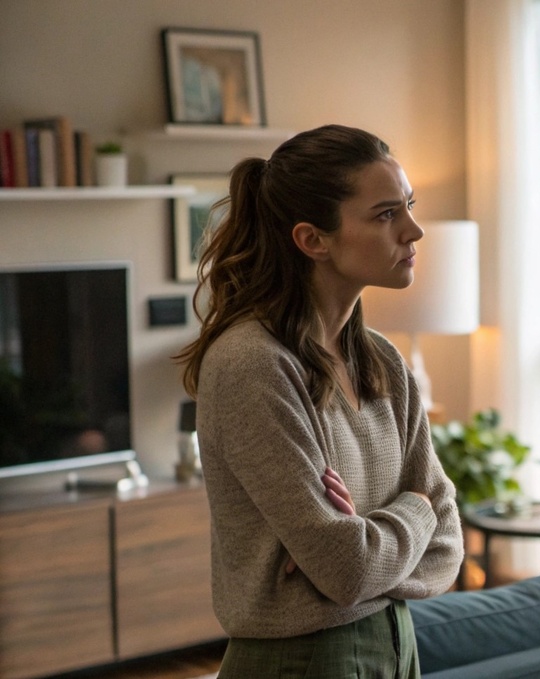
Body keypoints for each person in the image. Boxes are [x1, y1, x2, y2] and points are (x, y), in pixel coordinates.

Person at [177, 124, 464, 678]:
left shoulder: (382, 361)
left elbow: (447, 547)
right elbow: (348, 569)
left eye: (408, 206)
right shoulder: (251, 365)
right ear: (313, 240)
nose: (414, 230)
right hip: (302, 661)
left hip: (398, 646)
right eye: (386, 214)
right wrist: (415, 510)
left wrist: (368, 542)